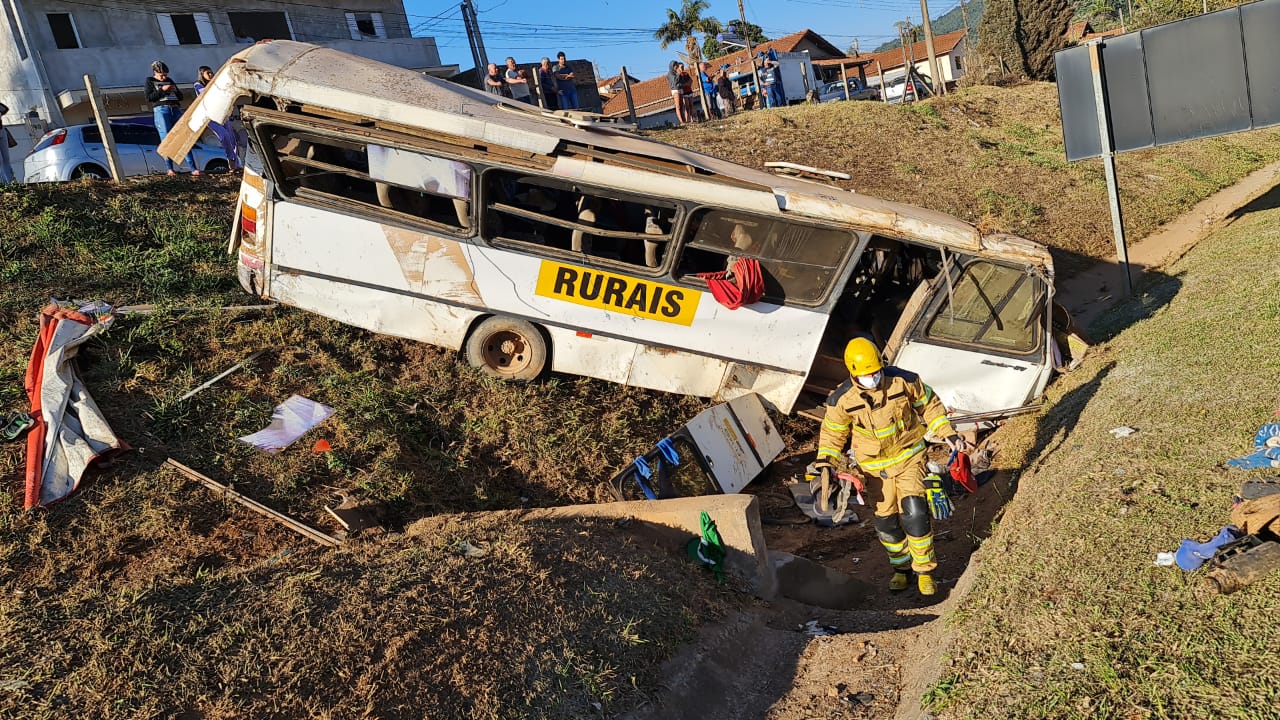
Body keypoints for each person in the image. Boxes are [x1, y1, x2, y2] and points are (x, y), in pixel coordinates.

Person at [814, 337, 966, 597]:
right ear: (852, 373)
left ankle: (924, 571)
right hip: (875, 470)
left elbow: (930, 406)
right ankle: (901, 569)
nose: (871, 378)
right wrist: (826, 462)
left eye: (875, 372)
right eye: (865, 374)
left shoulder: (904, 381)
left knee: (915, 513)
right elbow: (833, 434)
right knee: (886, 523)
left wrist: (948, 433)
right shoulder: (842, 400)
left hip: (909, 457)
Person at [145, 60, 200, 176]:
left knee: (183, 136)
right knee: (166, 138)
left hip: (175, 108)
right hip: (162, 109)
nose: (164, 77)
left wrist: (175, 90)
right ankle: (170, 168)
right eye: (161, 75)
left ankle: (193, 168)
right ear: (155, 72)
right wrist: (162, 90)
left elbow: (180, 97)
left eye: (165, 75)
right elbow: (149, 98)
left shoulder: (169, 81)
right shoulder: (149, 81)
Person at [194, 66, 241, 171]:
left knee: (232, 139)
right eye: (208, 73)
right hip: (210, 116)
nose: (211, 75)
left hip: (222, 114)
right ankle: (231, 160)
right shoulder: (198, 84)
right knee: (224, 136)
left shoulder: (216, 84)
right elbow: (207, 94)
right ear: (202, 74)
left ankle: (235, 164)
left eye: (211, 73)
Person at [667, 60, 687, 124]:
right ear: (672, 66)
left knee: (681, 105)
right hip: (675, 89)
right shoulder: (670, 73)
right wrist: (678, 74)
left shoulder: (677, 72)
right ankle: (681, 121)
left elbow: (682, 81)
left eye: (676, 65)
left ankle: (684, 120)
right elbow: (675, 81)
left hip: (680, 88)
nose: (676, 66)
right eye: (675, 65)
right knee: (678, 106)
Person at [0, 100, 14, 183]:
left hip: (1, 130)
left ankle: (10, 180)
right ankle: (3, 182)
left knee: (6, 158)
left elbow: (5, 109)